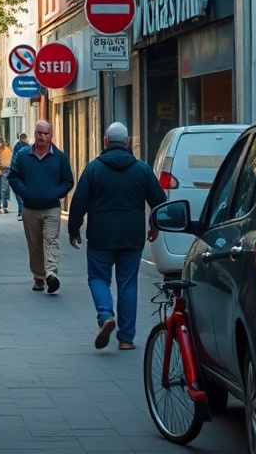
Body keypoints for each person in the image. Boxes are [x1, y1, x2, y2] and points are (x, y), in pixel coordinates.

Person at [68, 121, 165, 351]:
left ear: (106, 142)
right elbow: (159, 201)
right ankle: (126, 339)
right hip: (132, 237)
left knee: (98, 278)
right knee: (128, 283)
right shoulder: (142, 169)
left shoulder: (93, 169)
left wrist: (74, 230)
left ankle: (105, 315)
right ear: (128, 142)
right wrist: (154, 225)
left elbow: (79, 202)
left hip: (100, 236)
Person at [7, 120, 74, 295]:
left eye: (46, 133)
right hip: (30, 208)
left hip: (51, 208)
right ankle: (38, 276)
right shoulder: (23, 155)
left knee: (51, 241)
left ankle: (51, 274)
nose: (42, 137)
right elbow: (13, 177)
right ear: (34, 134)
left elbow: (68, 181)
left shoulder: (59, 157)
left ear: (51, 135)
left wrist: (55, 193)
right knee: (35, 244)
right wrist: (24, 192)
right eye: (39, 133)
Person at [0, 137, 13, 214]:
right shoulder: (8, 149)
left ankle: (1, 206)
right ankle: (4, 205)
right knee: (5, 189)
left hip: (1, 170)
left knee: (2, 189)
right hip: (8, 170)